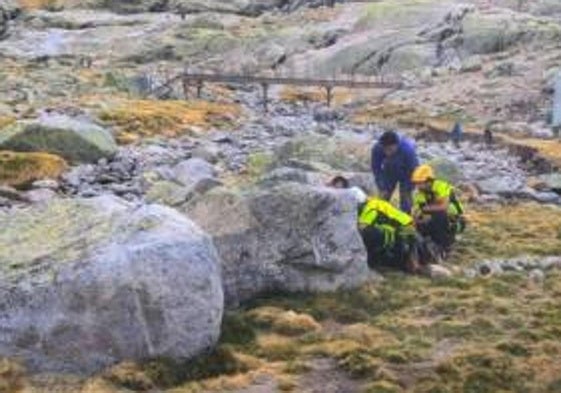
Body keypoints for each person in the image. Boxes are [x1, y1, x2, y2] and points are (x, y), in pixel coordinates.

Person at [411, 165, 465, 259]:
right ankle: (429, 245)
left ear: (429, 180)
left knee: (439, 216)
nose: (418, 186)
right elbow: (417, 212)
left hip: (454, 220)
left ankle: (445, 247)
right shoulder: (419, 194)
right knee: (420, 225)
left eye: (420, 183)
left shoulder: (441, 186)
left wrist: (425, 209)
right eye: (416, 183)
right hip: (436, 218)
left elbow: (443, 206)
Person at [371, 131, 419, 213]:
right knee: (383, 197)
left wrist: (408, 187)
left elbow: (414, 171)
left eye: (390, 149)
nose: (387, 152)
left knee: (405, 199)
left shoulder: (408, 150)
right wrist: (381, 185)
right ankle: (380, 217)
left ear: (396, 145)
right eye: (384, 149)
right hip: (389, 172)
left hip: (407, 174)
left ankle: (406, 219)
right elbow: (376, 168)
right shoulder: (377, 148)